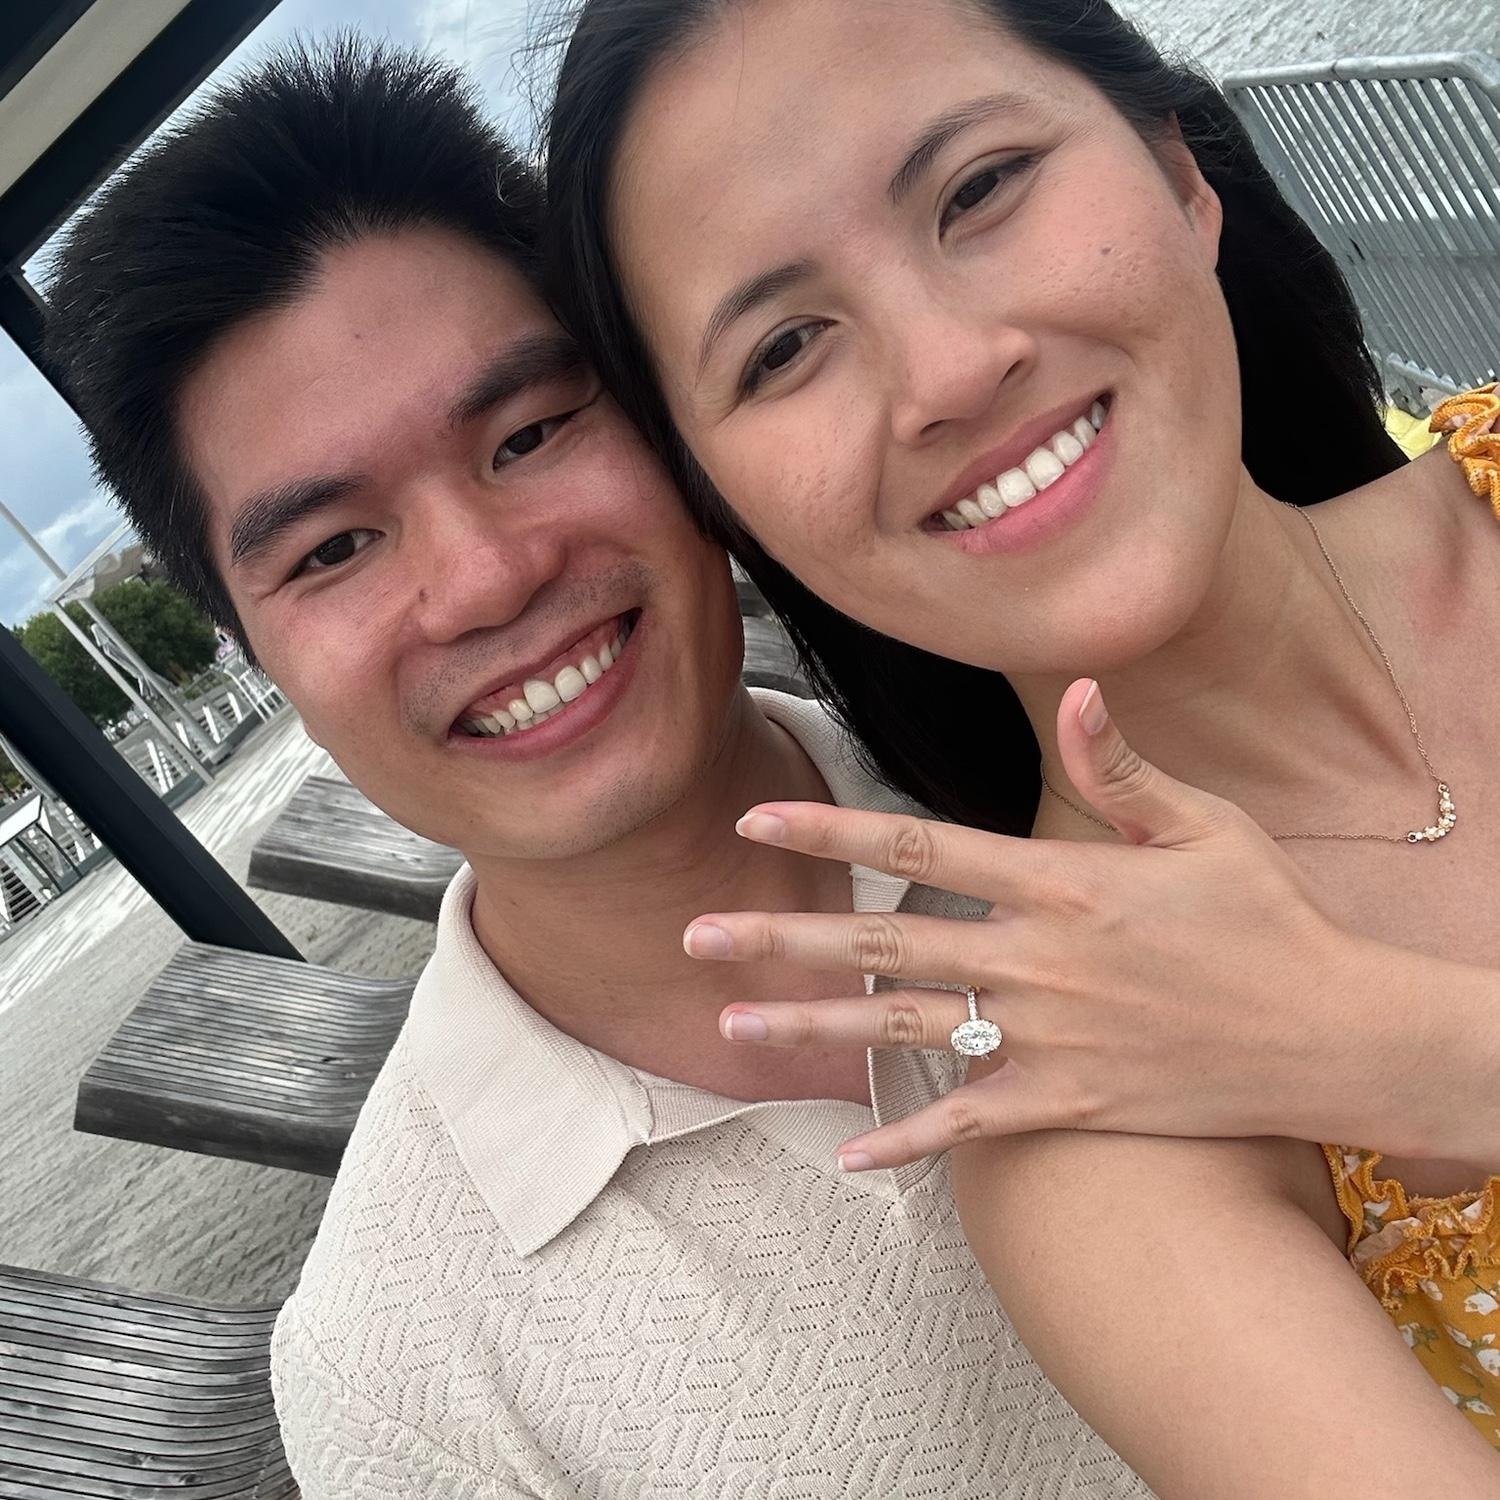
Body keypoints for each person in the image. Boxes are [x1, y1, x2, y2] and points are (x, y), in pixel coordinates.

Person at [42, 36, 1183, 1499]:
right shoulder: (399, 1387)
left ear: (669, 426)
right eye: (333, 550)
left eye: (527, 434)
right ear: (258, 653)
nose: (485, 577)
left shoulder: (1086, 748)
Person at [541, 0, 1500, 1488]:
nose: (945, 372)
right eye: (785, 348)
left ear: (1180, 172)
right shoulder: (1088, 1134)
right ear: (727, 506)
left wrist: (1397, 1049)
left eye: (979, 188)